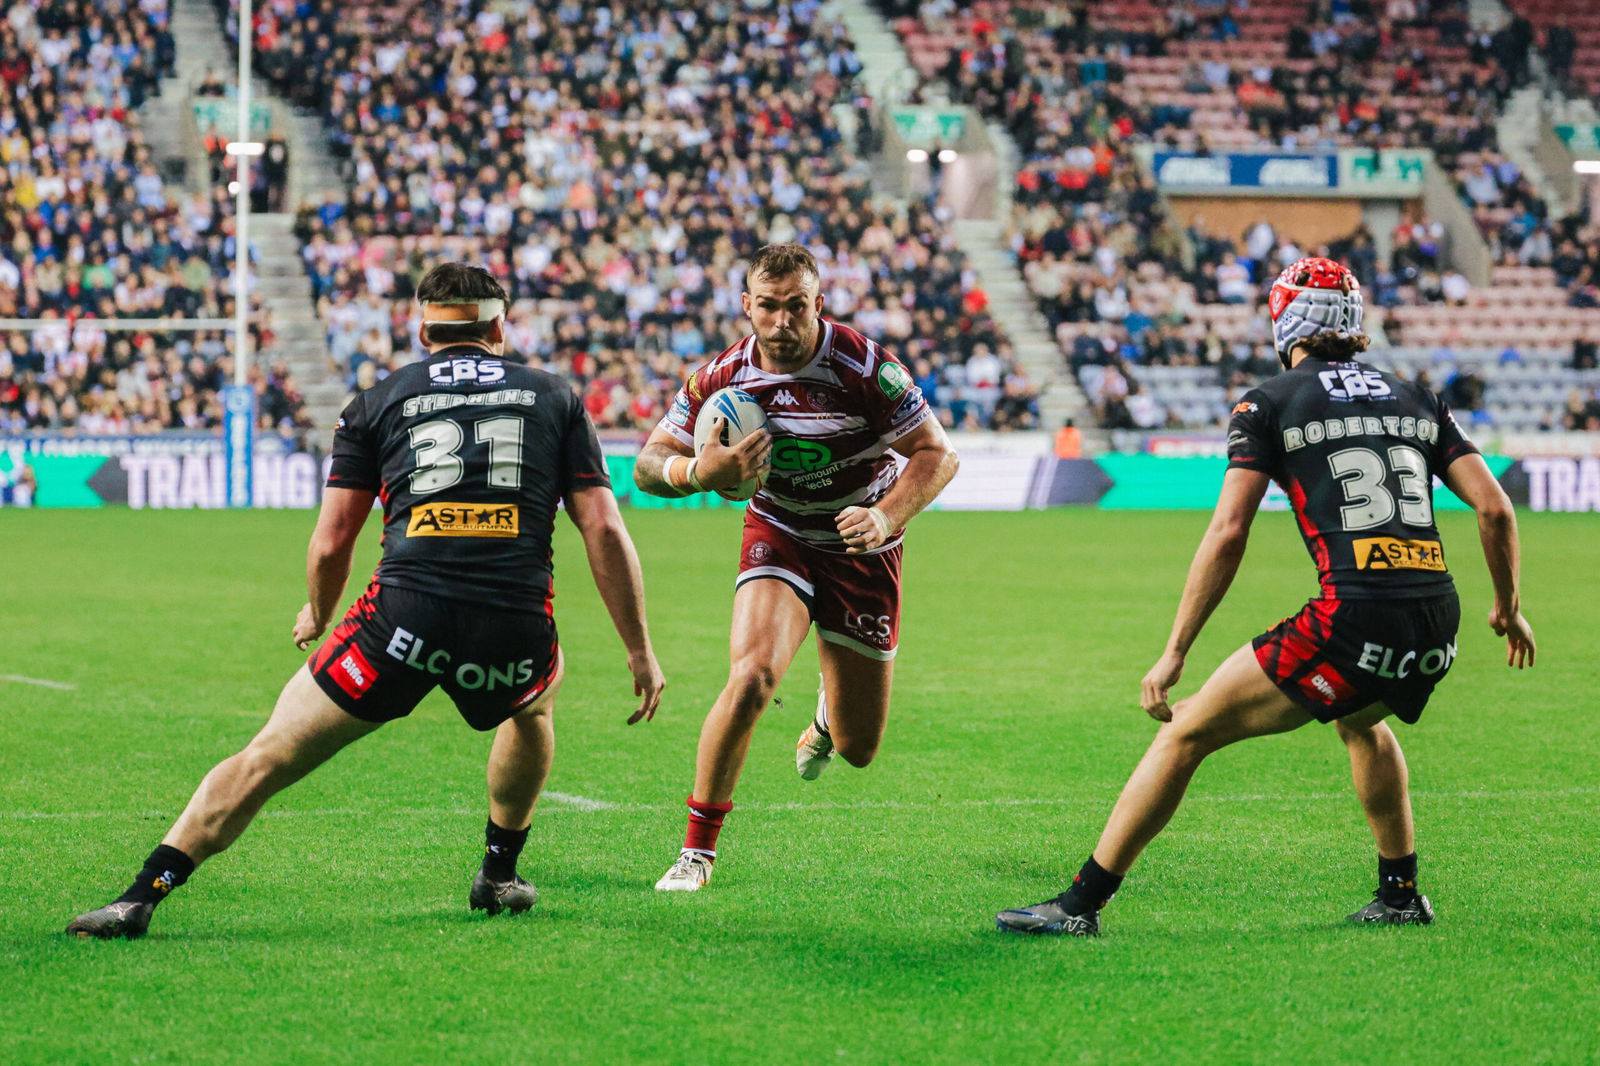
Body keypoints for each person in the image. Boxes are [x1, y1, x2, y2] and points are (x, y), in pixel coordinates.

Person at [67, 263, 665, 939]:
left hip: (399, 621)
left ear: (421, 329)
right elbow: (604, 530)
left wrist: (318, 614)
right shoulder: (555, 397)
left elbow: (331, 543)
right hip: (511, 623)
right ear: (501, 327)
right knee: (533, 705)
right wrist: (640, 649)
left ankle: (141, 894)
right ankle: (499, 874)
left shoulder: (378, 400)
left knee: (268, 756)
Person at [996, 258, 1536, 936]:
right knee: (1362, 720)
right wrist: (1508, 607)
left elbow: (1228, 533)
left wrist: (1173, 652)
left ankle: (1079, 906)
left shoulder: (1268, 402)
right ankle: (1400, 895)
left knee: (1186, 731)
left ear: (1286, 322)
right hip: (1436, 617)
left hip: (1353, 615)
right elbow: (1496, 512)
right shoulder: (1417, 396)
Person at [633, 243, 959, 891]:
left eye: (797, 307)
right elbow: (647, 464)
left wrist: (887, 517)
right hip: (779, 531)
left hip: (863, 542)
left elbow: (936, 455)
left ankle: (826, 719)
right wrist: (698, 471)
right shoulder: (722, 376)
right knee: (751, 675)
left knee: (860, 748)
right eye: (769, 307)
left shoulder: (864, 366)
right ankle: (696, 852)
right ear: (747, 306)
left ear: (819, 304)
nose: (782, 323)